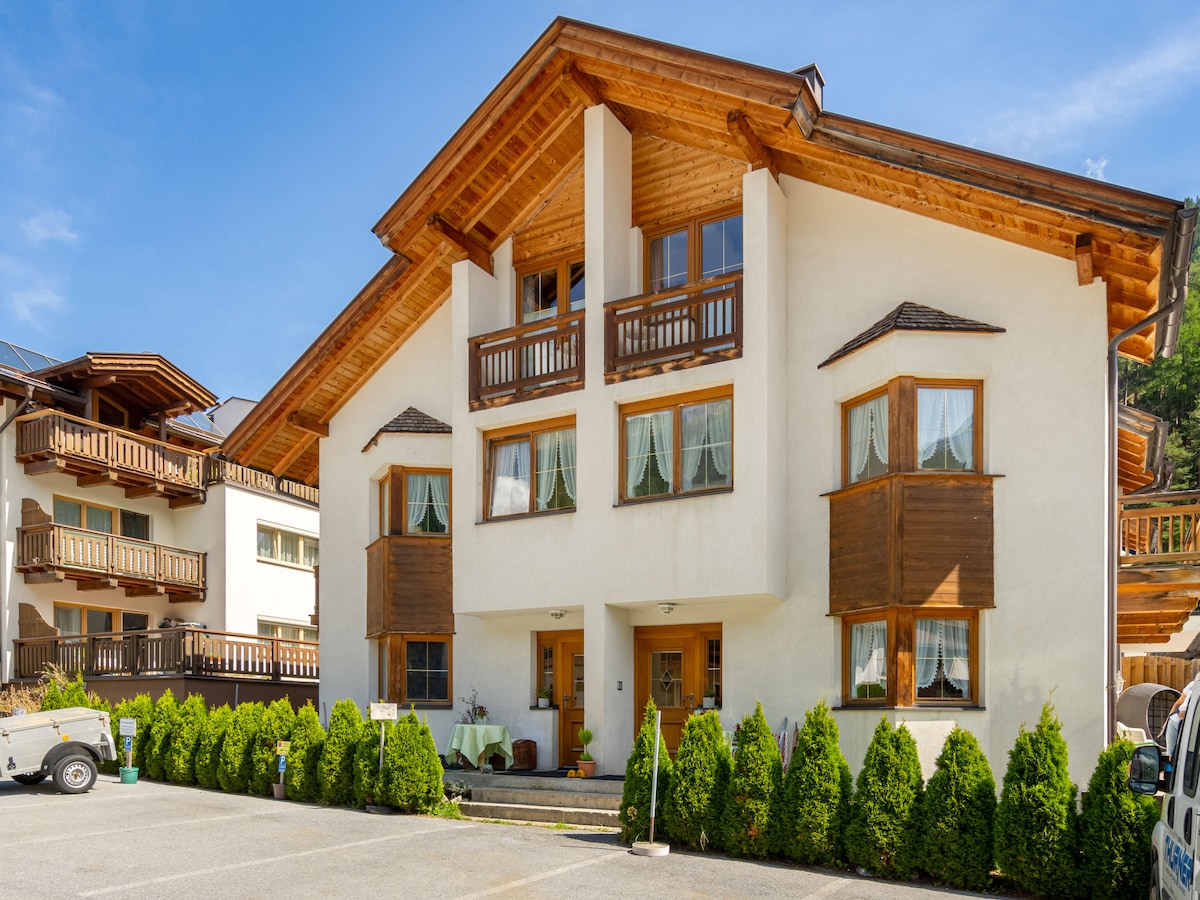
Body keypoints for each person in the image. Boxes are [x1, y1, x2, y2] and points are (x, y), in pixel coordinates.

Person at [1164, 682, 1194, 760]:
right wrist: (1167, 721)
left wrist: (1188, 713)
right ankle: (1171, 771)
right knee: (1171, 754)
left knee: (1185, 754)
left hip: (1189, 724)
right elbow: (1178, 703)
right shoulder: (1193, 684)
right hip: (1174, 721)